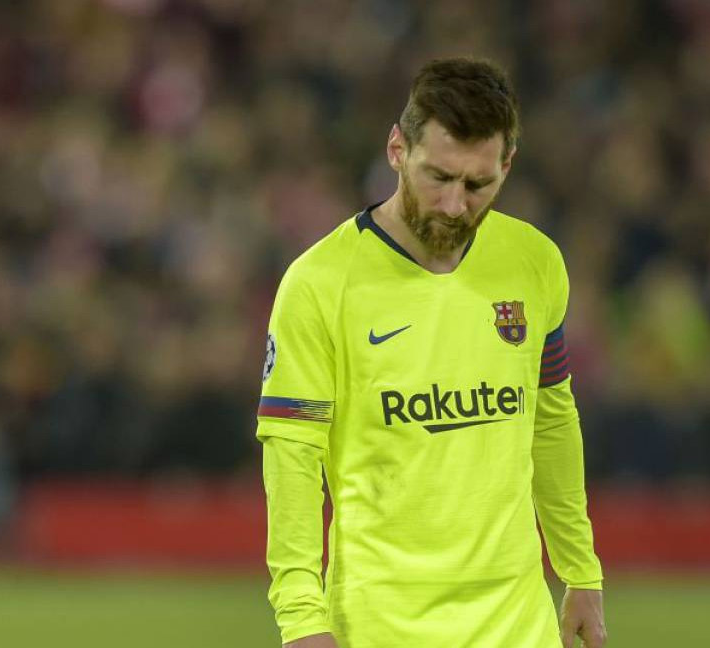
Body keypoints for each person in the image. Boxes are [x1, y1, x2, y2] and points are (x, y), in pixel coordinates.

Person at [256, 57, 607, 648]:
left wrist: (581, 571)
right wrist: (300, 616)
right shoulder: (319, 283)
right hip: (380, 624)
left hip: (517, 621)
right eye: (438, 177)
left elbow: (551, 421)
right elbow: (292, 457)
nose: (453, 204)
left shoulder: (535, 262)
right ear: (397, 149)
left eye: (477, 185)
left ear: (507, 165)